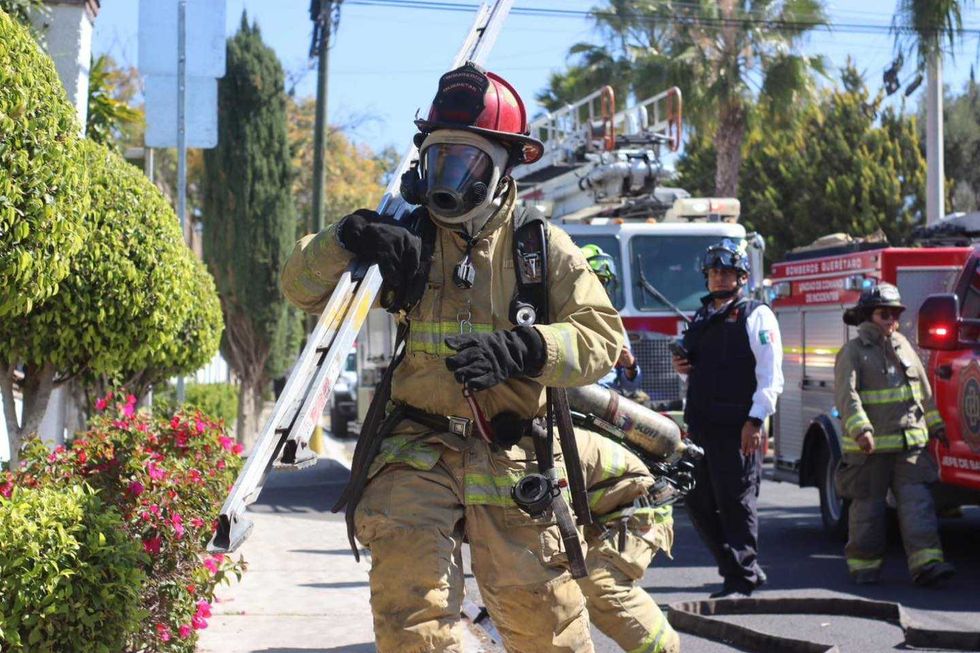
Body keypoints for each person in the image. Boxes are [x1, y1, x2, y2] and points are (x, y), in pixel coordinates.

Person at [281, 62, 624, 653]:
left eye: (467, 164)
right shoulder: (403, 237)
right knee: (413, 624)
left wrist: (527, 347)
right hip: (416, 450)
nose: (450, 180)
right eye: (441, 160)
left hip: (511, 456)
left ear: (503, 167)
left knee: (548, 630)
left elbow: (602, 338)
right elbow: (300, 288)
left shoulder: (539, 248)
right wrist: (348, 238)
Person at [575, 244, 680, 653]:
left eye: (600, 283)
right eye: (589, 281)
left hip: (626, 487)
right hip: (591, 478)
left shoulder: (601, 330)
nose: (594, 291)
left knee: (599, 584)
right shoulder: (556, 336)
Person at [671, 238, 783, 598]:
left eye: (727, 272)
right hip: (701, 426)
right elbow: (703, 370)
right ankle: (731, 567)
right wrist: (683, 367)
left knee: (736, 502)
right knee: (697, 500)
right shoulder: (703, 317)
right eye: (715, 272)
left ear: (742, 277)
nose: (720, 278)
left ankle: (743, 576)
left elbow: (771, 375)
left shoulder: (756, 314)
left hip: (738, 428)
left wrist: (755, 420)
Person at [834, 283, 955, 586]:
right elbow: (846, 396)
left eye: (894, 314)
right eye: (883, 314)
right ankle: (864, 566)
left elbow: (923, 392)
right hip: (870, 451)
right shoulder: (853, 353)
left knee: (919, 506)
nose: (890, 320)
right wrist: (861, 429)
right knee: (868, 511)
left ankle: (927, 564)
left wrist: (936, 425)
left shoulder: (904, 346)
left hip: (909, 446)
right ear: (867, 315)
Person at [580, 244, 644, 396]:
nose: (601, 289)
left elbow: (630, 386)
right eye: (596, 281)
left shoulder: (613, 323)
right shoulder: (562, 319)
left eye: (604, 282)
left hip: (606, 400)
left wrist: (630, 366)